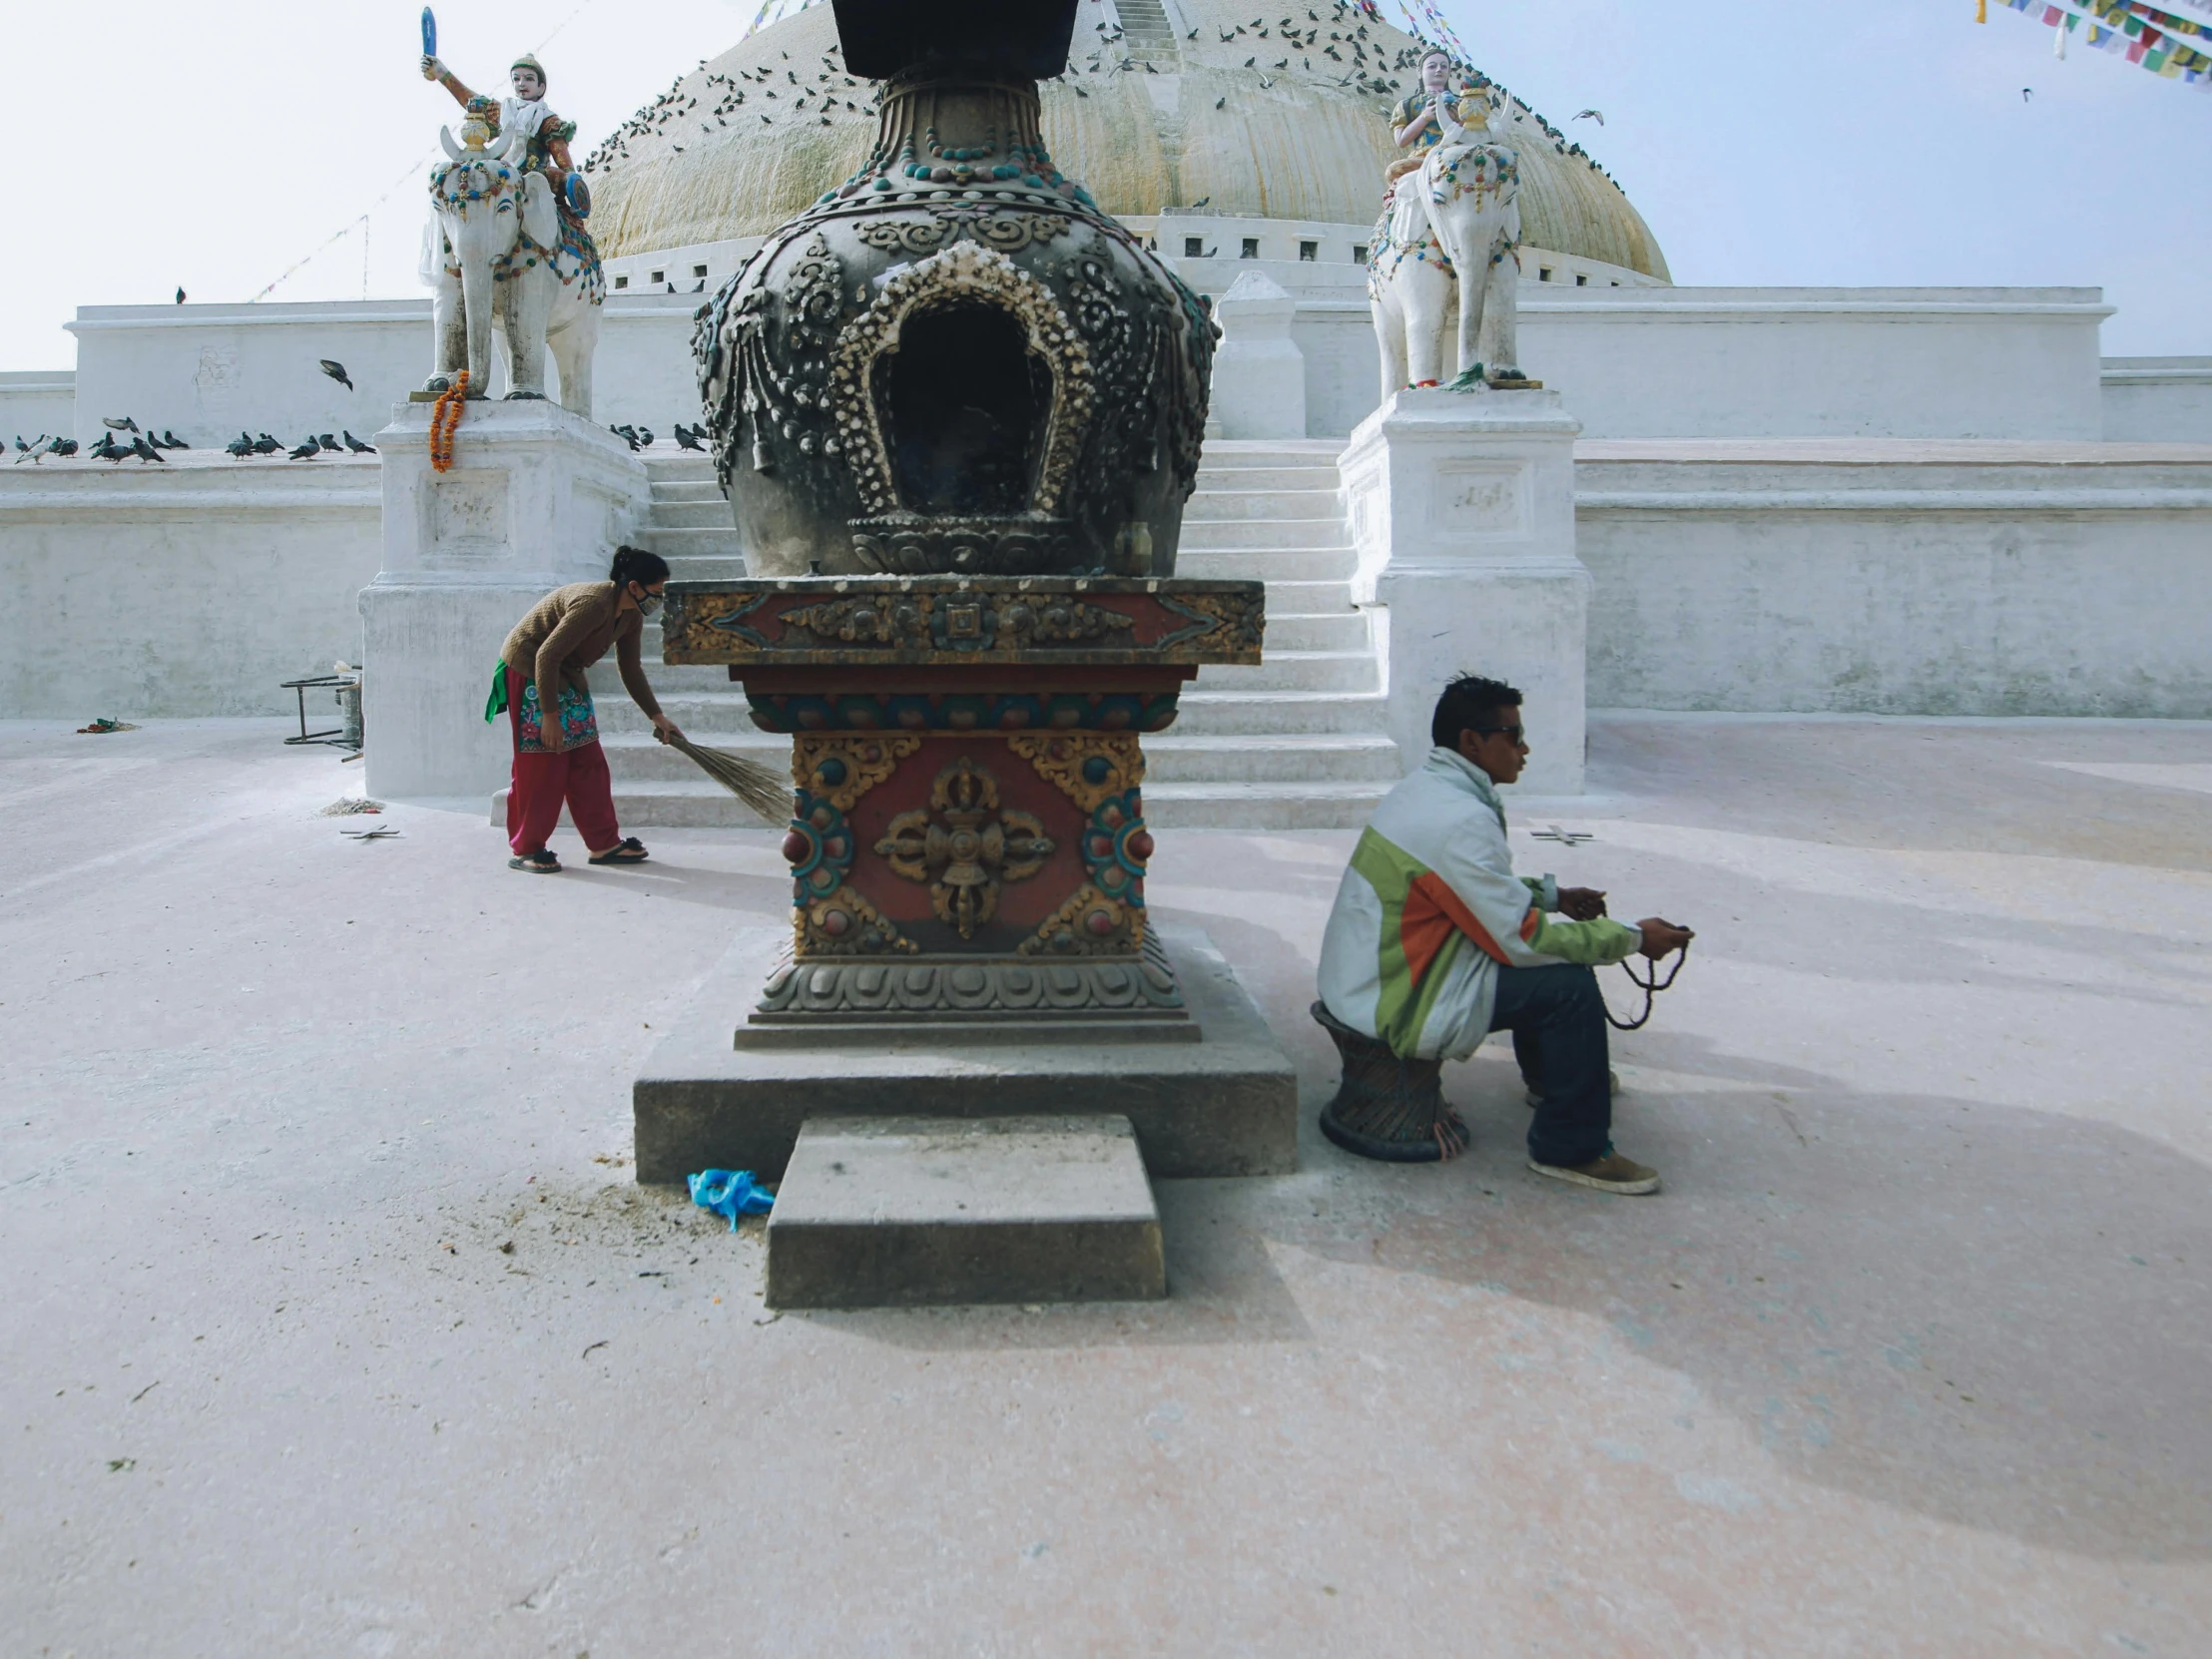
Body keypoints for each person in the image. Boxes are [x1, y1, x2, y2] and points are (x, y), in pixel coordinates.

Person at [1315, 673, 1693, 1193]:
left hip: (1369, 977)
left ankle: (1556, 1082)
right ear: (1473, 741)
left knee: (1554, 964)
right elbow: (1522, 940)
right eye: (1513, 736)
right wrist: (1631, 937)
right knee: (1568, 985)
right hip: (1393, 1000)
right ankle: (1571, 1148)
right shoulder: (1459, 819)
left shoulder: (1427, 789)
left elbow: (1470, 888)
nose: (1525, 749)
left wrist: (1554, 897)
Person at [486, 547, 685, 873]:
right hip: (528, 669)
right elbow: (545, 657)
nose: (659, 601)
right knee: (541, 765)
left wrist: (657, 716)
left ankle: (604, 844)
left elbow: (631, 668)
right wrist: (549, 716)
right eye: (658, 593)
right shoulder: (593, 604)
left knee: (588, 761)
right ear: (634, 587)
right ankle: (527, 848)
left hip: (567, 673)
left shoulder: (631, 613)